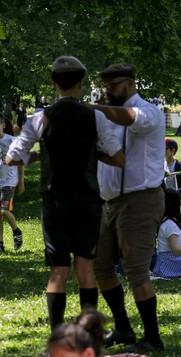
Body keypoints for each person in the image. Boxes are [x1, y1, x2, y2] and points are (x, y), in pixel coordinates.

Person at [6, 56, 124, 336]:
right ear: (81, 83)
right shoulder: (95, 117)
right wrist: (93, 155)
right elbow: (118, 158)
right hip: (87, 198)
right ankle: (89, 334)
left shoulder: (40, 118)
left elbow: (12, 158)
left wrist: (41, 155)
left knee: (59, 270)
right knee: (85, 268)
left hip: (54, 198)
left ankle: (57, 334)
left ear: (53, 83)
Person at [91, 62, 166, 353]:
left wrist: (93, 108)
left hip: (141, 200)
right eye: (106, 88)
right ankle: (123, 329)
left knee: (136, 271)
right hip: (110, 203)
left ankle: (152, 338)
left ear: (130, 84)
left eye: (113, 87)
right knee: (101, 267)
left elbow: (130, 118)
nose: (108, 92)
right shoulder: (109, 115)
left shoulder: (149, 112)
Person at [0, 117, 24, 253]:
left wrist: (21, 182)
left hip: (9, 181)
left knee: (3, 210)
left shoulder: (11, 141)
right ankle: (0, 244)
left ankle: (16, 231)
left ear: (3, 125)